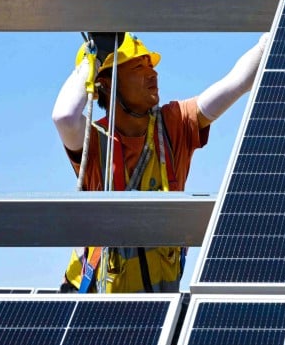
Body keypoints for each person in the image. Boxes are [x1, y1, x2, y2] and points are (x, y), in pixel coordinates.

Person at [52, 32, 268, 292]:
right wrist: (93, 58)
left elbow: (238, 83)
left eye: (151, 66)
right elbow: (64, 117)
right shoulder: (94, 140)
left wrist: (268, 43)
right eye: (138, 67)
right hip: (94, 304)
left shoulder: (174, 124)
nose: (152, 74)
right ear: (106, 84)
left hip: (155, 305)